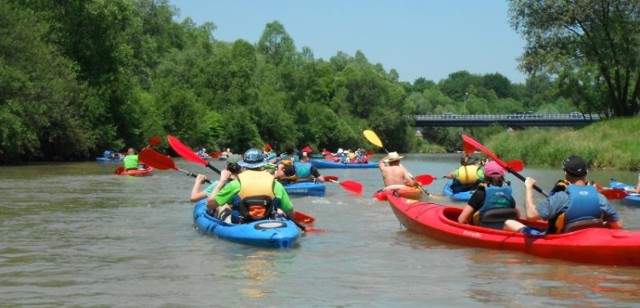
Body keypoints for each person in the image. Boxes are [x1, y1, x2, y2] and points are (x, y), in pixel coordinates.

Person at [504, 155, 624, 235]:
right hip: (587, 239)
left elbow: (530, 215)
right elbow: (618, 225)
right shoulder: (599, 198)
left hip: (558, 239)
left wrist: (528, 187)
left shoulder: (561, 197)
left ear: (565, 174)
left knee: (508, 223)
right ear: (586, 172)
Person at [206, 148, 295, 224]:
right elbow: (290, 213)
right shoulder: (276, 184)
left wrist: (221, 182)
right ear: (262, 164)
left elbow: (210, 204)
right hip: (267, 223)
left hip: (240, 225)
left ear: (243, 165)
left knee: (223, 206)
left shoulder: (236, 183)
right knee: (280, 210)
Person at [457, 161, 520, 230]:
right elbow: (518, 215)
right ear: (502, 176)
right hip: (504, 231)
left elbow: (461, 220)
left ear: (485, 176)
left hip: (483, 231)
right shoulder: (508, 194)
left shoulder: (479, 193)